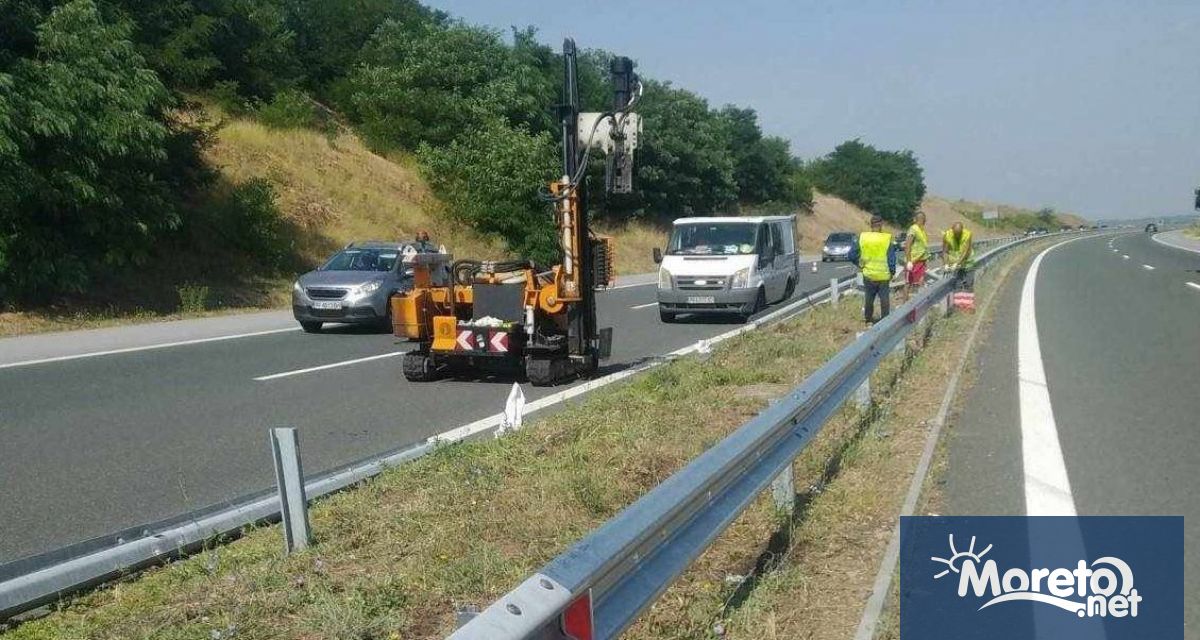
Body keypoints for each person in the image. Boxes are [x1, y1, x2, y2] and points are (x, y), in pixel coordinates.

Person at [848, 215, 898, 324]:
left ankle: (868, 319)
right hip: (883, 275)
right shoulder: (886, 238)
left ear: (871, 225)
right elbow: (891, 258)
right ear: (881, 225)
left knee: (869, 299)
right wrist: (892, 271)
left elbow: (851, 255)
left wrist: (859, 264)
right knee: (884, 300)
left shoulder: (863, 237)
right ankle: (885, 321)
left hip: (868, 274)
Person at [903, 212, 930, 298]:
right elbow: (907, 245)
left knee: (921, 282)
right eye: (923, 220)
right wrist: (908, 261)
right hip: (913, 261)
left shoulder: (922, 230)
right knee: (908, 283)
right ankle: (905, 304)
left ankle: (919, 302)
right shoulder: (913, 229)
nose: (924, 221)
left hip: (921, 261)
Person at [942, 222, 975, 290]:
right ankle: (958, 294)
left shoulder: (967, 234)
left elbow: (966, 252)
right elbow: (945, 252)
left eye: (959, 234)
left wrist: (957, 264)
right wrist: (946, 264)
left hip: (967, 262)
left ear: (962, 231)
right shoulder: (947, 235)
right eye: (955, 234)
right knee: (957, 284)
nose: (957, 236)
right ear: (952, 230)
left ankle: (967, 293)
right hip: (955, 263)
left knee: (968, 284)